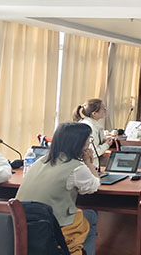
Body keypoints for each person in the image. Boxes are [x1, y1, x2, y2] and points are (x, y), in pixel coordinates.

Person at [17, 122, 99, 255]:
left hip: (22, 224)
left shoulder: (40, 161)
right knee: (92, 216)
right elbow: (94, 186)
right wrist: (89, 163)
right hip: (54, 225)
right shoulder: (76, 167)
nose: (89, 142)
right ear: (80, 143)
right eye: (89, 138)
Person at [73, 98, 113, 168]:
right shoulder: (91, 128)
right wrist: (106, 145)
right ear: (94, 113)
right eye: (103, 109)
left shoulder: (86, 122)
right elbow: (94, 152)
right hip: (90, 166)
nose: (106, 110)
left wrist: (103, 139)